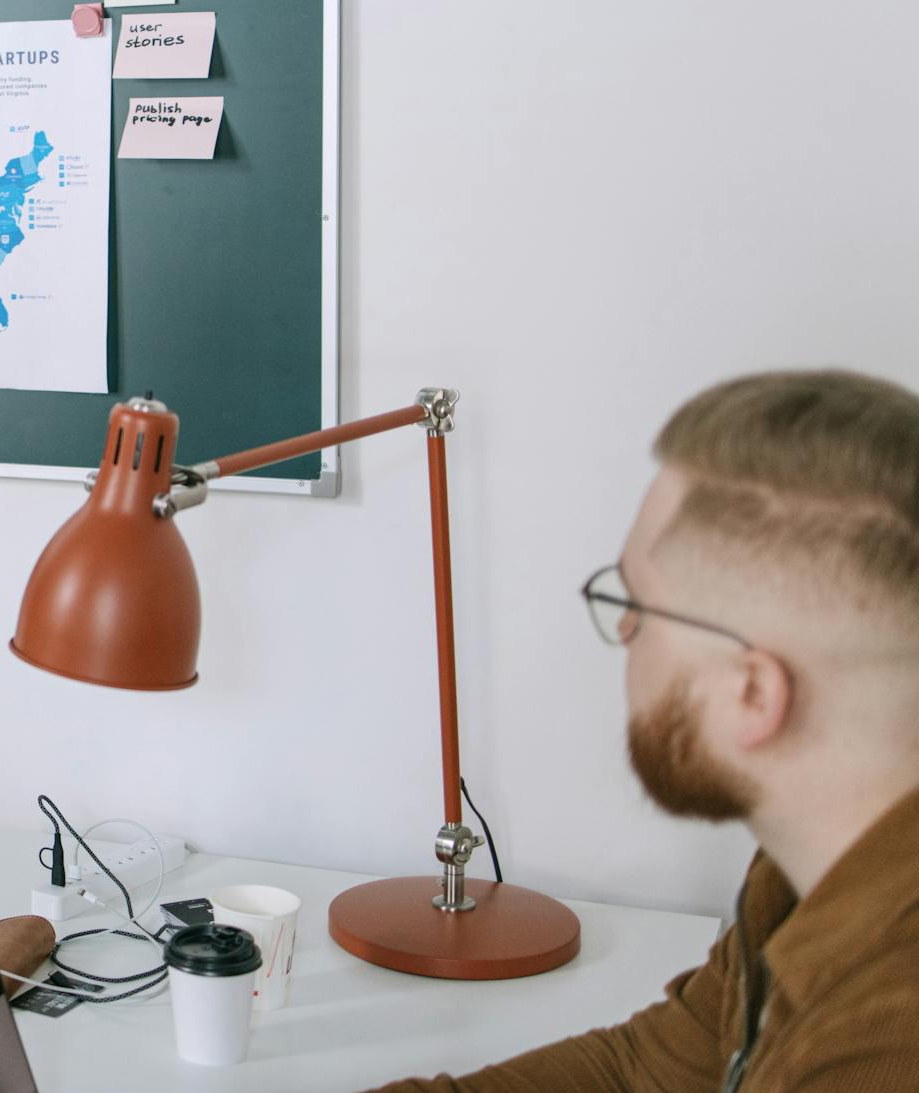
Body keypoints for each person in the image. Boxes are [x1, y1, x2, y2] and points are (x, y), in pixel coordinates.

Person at [375, 370, 919, 1091]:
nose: (624, 630)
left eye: (638, 605)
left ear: (751, 691)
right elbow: (647, 1072)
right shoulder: (800, 874)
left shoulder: (885, 1037)